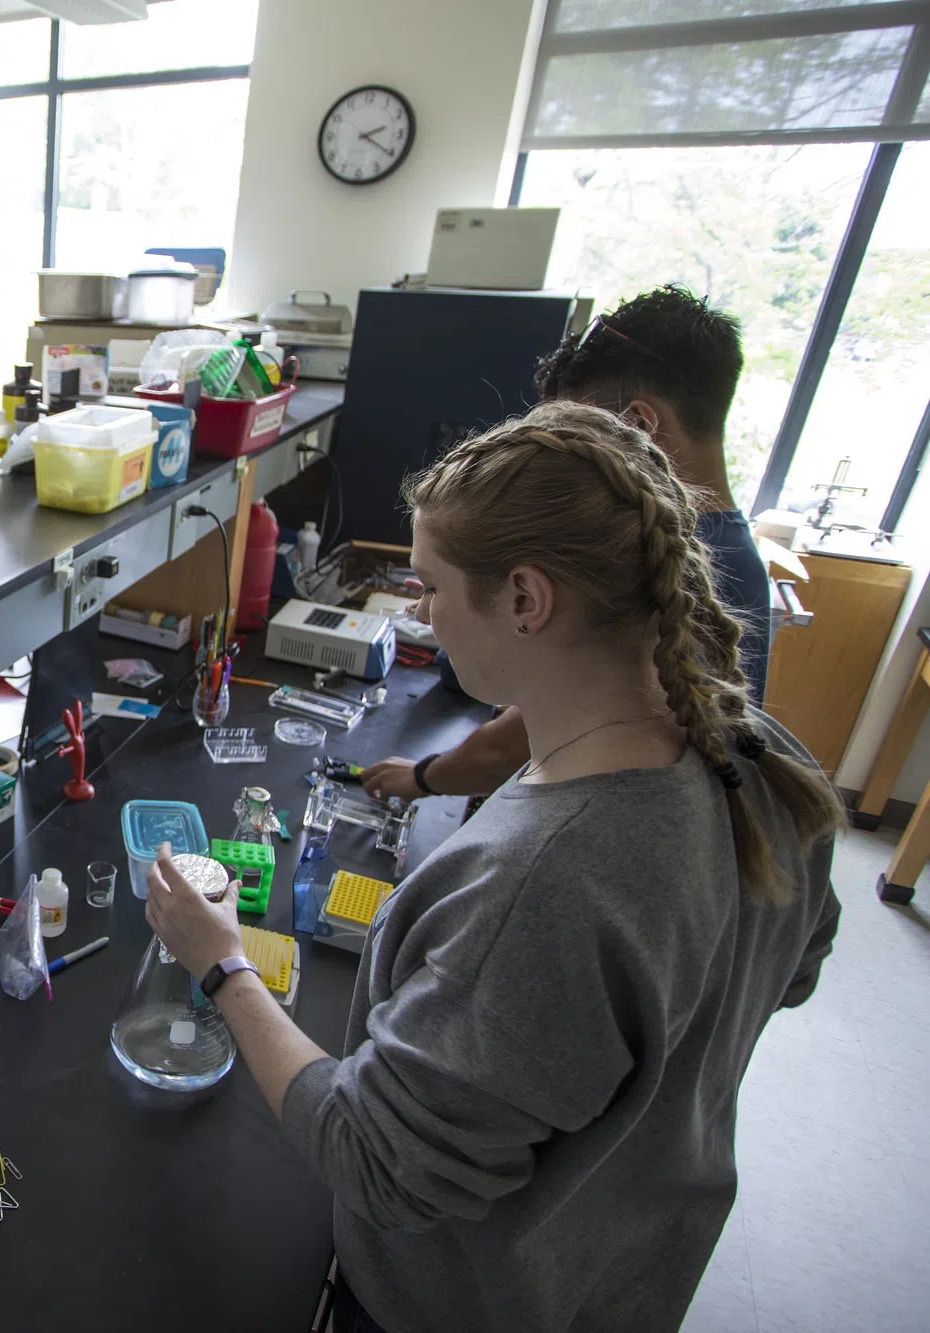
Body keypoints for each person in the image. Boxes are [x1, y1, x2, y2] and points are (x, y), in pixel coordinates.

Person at [146, 402, 841, 1333]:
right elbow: (793, 969)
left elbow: (376, 1161)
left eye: (430, 587)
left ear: (526, 598)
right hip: (627, 1261)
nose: (420, 613)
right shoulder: (762, 757)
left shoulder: (550, 881)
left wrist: (222, 962)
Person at [362, 285, 773, 805]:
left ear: (637, 428)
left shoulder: (699, 568)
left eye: (575, 435)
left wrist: (423, 777)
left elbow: (514, 743)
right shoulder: (711, 546)